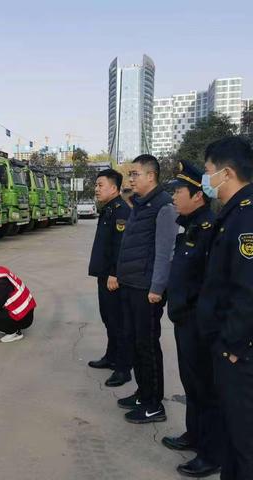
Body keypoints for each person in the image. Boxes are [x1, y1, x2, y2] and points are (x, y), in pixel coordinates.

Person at [196, 137, 253, 480]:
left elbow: (249, 290)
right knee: (233, 435)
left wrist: (232, 345)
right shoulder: (233, 213)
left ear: (227, 173)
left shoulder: (246, 219)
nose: (206, 181)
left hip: (239, 353)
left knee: (244, 440)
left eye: (208, 173)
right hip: (229, 345)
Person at [161, 161, 222, 478]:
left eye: (179, 192)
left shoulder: (211, 229)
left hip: (200, 325)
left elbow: (213, 285)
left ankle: (211, 453)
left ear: (198, 196)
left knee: (206, 388)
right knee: (191, 383)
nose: (174, 198)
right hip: (186, 323)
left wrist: (199, 318)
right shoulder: (192, 227)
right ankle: (194, 434)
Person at [115, 154, 178, 424]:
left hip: (146, 290)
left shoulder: (164, 207)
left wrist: (157, 287)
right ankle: (143, 393)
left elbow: (165, 252)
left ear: (151, 176)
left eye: (135, 174)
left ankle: (154, 405)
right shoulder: (141, 205)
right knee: (135, 343)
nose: (130, 179)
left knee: (148, 346)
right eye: (129, 175)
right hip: (131, 285)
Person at [87, 169, 132, 387]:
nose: (96, 189)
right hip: (104, 275)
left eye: (100, 185)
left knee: (118, 322)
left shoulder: (121, 210)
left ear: (114, 188)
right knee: (109, 319)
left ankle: (123, 369)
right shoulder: (108, 210)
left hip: (113, 278)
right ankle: (111, 356)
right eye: (96, 185)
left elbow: (121, 246)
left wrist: (115, 273)